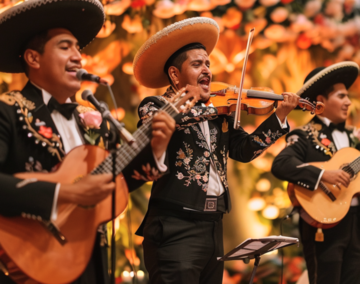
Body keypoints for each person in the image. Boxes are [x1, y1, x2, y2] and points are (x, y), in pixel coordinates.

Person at [0, 1, 175, 283]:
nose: (78, 57)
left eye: (77, 48)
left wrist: (155, 151)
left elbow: (111, 184)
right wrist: (67, 193)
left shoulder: (93, 118)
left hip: (90, 257)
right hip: (32, 257)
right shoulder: (7, 111)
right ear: (33, 58)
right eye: (64, 46)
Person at [132, 17, 300, 284]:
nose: (207, 70)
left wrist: (279, 117)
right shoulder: (154, 105)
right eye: (197, 64)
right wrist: (212, 108)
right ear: (175, 75)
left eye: (208, 63)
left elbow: (244, 150)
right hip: (175, 226)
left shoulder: (220, 110)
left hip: (214, 224)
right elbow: (164, 122)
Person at [271, 62, 360, 284]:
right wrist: (323, 175)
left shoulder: (355, 138)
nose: (348, 102)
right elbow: (281, 164)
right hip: (324, 224)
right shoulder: (305, 135)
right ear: (321, 101)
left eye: (347, 96)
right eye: (341, 96)